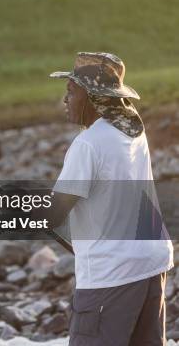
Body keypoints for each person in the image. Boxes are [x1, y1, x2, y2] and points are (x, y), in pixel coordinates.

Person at [31, 52, 174, 345]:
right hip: (151, 261)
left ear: (94, 97)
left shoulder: (88, 144)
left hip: (112, 276)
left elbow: (53, 215)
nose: (65, 100)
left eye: (72, 91)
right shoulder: (133, 129)